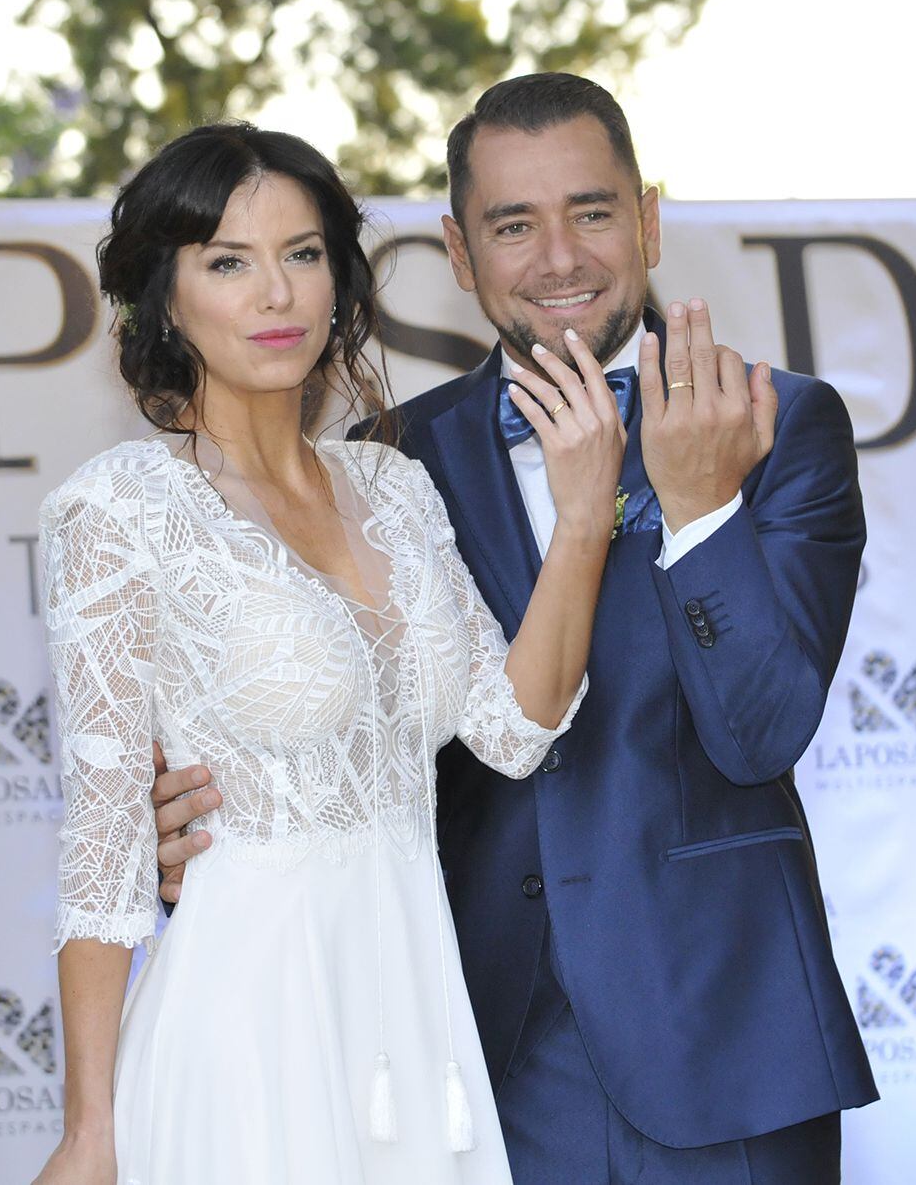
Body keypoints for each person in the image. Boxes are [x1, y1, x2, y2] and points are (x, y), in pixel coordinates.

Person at [153, 74, 879, 1183]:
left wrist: (702, 510)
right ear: (459, 250)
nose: (559, 259)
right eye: (513, 225)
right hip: (470, 1048)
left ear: (648, 218)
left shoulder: (777, 424)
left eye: (591, 212)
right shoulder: (384, 463)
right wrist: (211, 819)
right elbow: (348, 726)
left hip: (723, 1037)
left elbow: (762, 732)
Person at [32, 120, 630, 1185]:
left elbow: (512, 732)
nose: (277, 295)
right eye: (228, 262)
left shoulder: (394, 490)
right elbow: (104, 849)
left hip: (409, 1010)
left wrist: (583, 522)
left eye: (302, 255)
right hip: (246, 1022)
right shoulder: (119, 510)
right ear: (166, 298)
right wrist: (90, 1131)